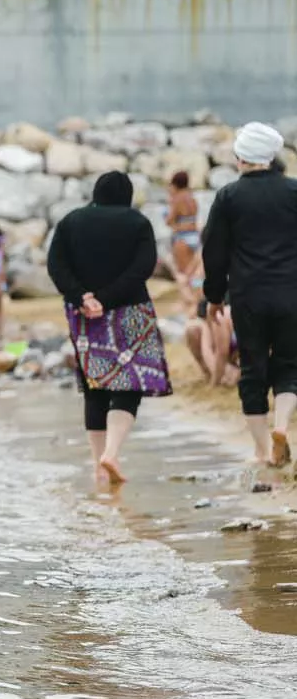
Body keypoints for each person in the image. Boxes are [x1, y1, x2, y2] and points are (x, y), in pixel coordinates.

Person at [47, 170, 169, 486]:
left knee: (95, 385)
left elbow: (56, 265)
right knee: (130, 384)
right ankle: (112, 453)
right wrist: (107, 297)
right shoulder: (138, 223)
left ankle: (98, 466)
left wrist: (83, 297)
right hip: (130, 311)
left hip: (86, 316)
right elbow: (143, 267)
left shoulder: (71, 221)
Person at [201, 121, 297, 468]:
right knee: (289, 364)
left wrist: (213, 298)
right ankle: (282, 427)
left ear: (241, 157)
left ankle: (261, 450)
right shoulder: (293, 192)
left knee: (253, 369)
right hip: (291, 293)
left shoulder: (229, 197)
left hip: (248, 295)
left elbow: (214, 251)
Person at [166, 170, 201, 315]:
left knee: (182, 275)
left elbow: (170, 220)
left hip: (181, 239)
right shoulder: (192, 198)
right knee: (194, 273)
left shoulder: (177, 199)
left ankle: (187, 305)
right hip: (195, 237)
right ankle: (198, 300)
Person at [185, 298, 239, 387]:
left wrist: (214, 385)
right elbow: (210, 352)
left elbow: (221, 353)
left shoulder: (218, 317)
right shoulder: (210, 322)